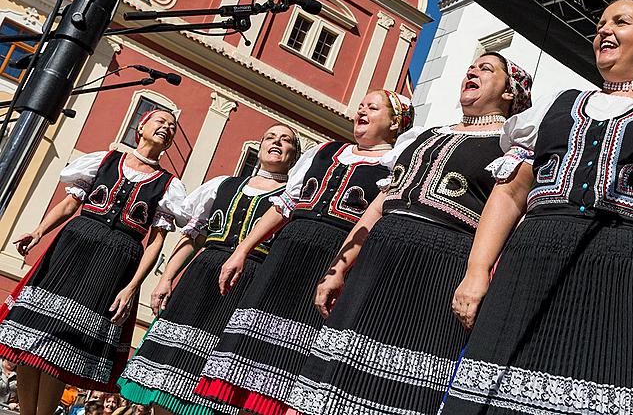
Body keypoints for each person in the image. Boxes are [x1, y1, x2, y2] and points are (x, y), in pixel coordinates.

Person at [440, 0, 633, 415]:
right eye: (600, 23)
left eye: (621, 22)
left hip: (630, 276)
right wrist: (477, 270)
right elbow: (509, 192)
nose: (603, 30)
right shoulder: (557, 105)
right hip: (530, 262)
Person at [291, 53, 533, 415]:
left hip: (437, 266)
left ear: (511, 92)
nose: (472, 71)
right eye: (472, 67)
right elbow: (380, 203)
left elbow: (509, 215)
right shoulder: (425, 136)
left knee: (396, 386)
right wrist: (339, 267)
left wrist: (476, 275)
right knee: (331, 377)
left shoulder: (511, 144)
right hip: (377, 260)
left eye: (487, 69)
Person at [193, 90, 415, 415]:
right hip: (286, 257)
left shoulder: (396, 165)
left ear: (395, 122)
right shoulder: (324, 152)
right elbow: (284, 206)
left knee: (294, 366)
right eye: (361, 104)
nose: (362, 109)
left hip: (331, 261)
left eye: (373, 106)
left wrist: (340, 272)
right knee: (250, 360)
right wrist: (242, 249)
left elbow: (376, 224)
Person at [0, 110, 187, 415]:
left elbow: (156, 243)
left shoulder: (168, 186)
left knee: (62, 348)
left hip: (113, 265)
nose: (166, 127)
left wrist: (132, 287)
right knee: (31, 335)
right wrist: (37, 232)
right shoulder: (104, 160)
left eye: (172, 126)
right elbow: (70, 203)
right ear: (140, 127)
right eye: (160, 121)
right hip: (72, 250)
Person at [117, 123, 300, 415]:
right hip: (201, 277)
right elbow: (192, 238)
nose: (277, 142)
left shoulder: (293, 199)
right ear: (259, 144)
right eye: (270, 137)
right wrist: (166, 279)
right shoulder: (223, 185)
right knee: (169, 372)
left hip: (247, 285)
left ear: (294, 155)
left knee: (213, 377)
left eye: (286, 140)